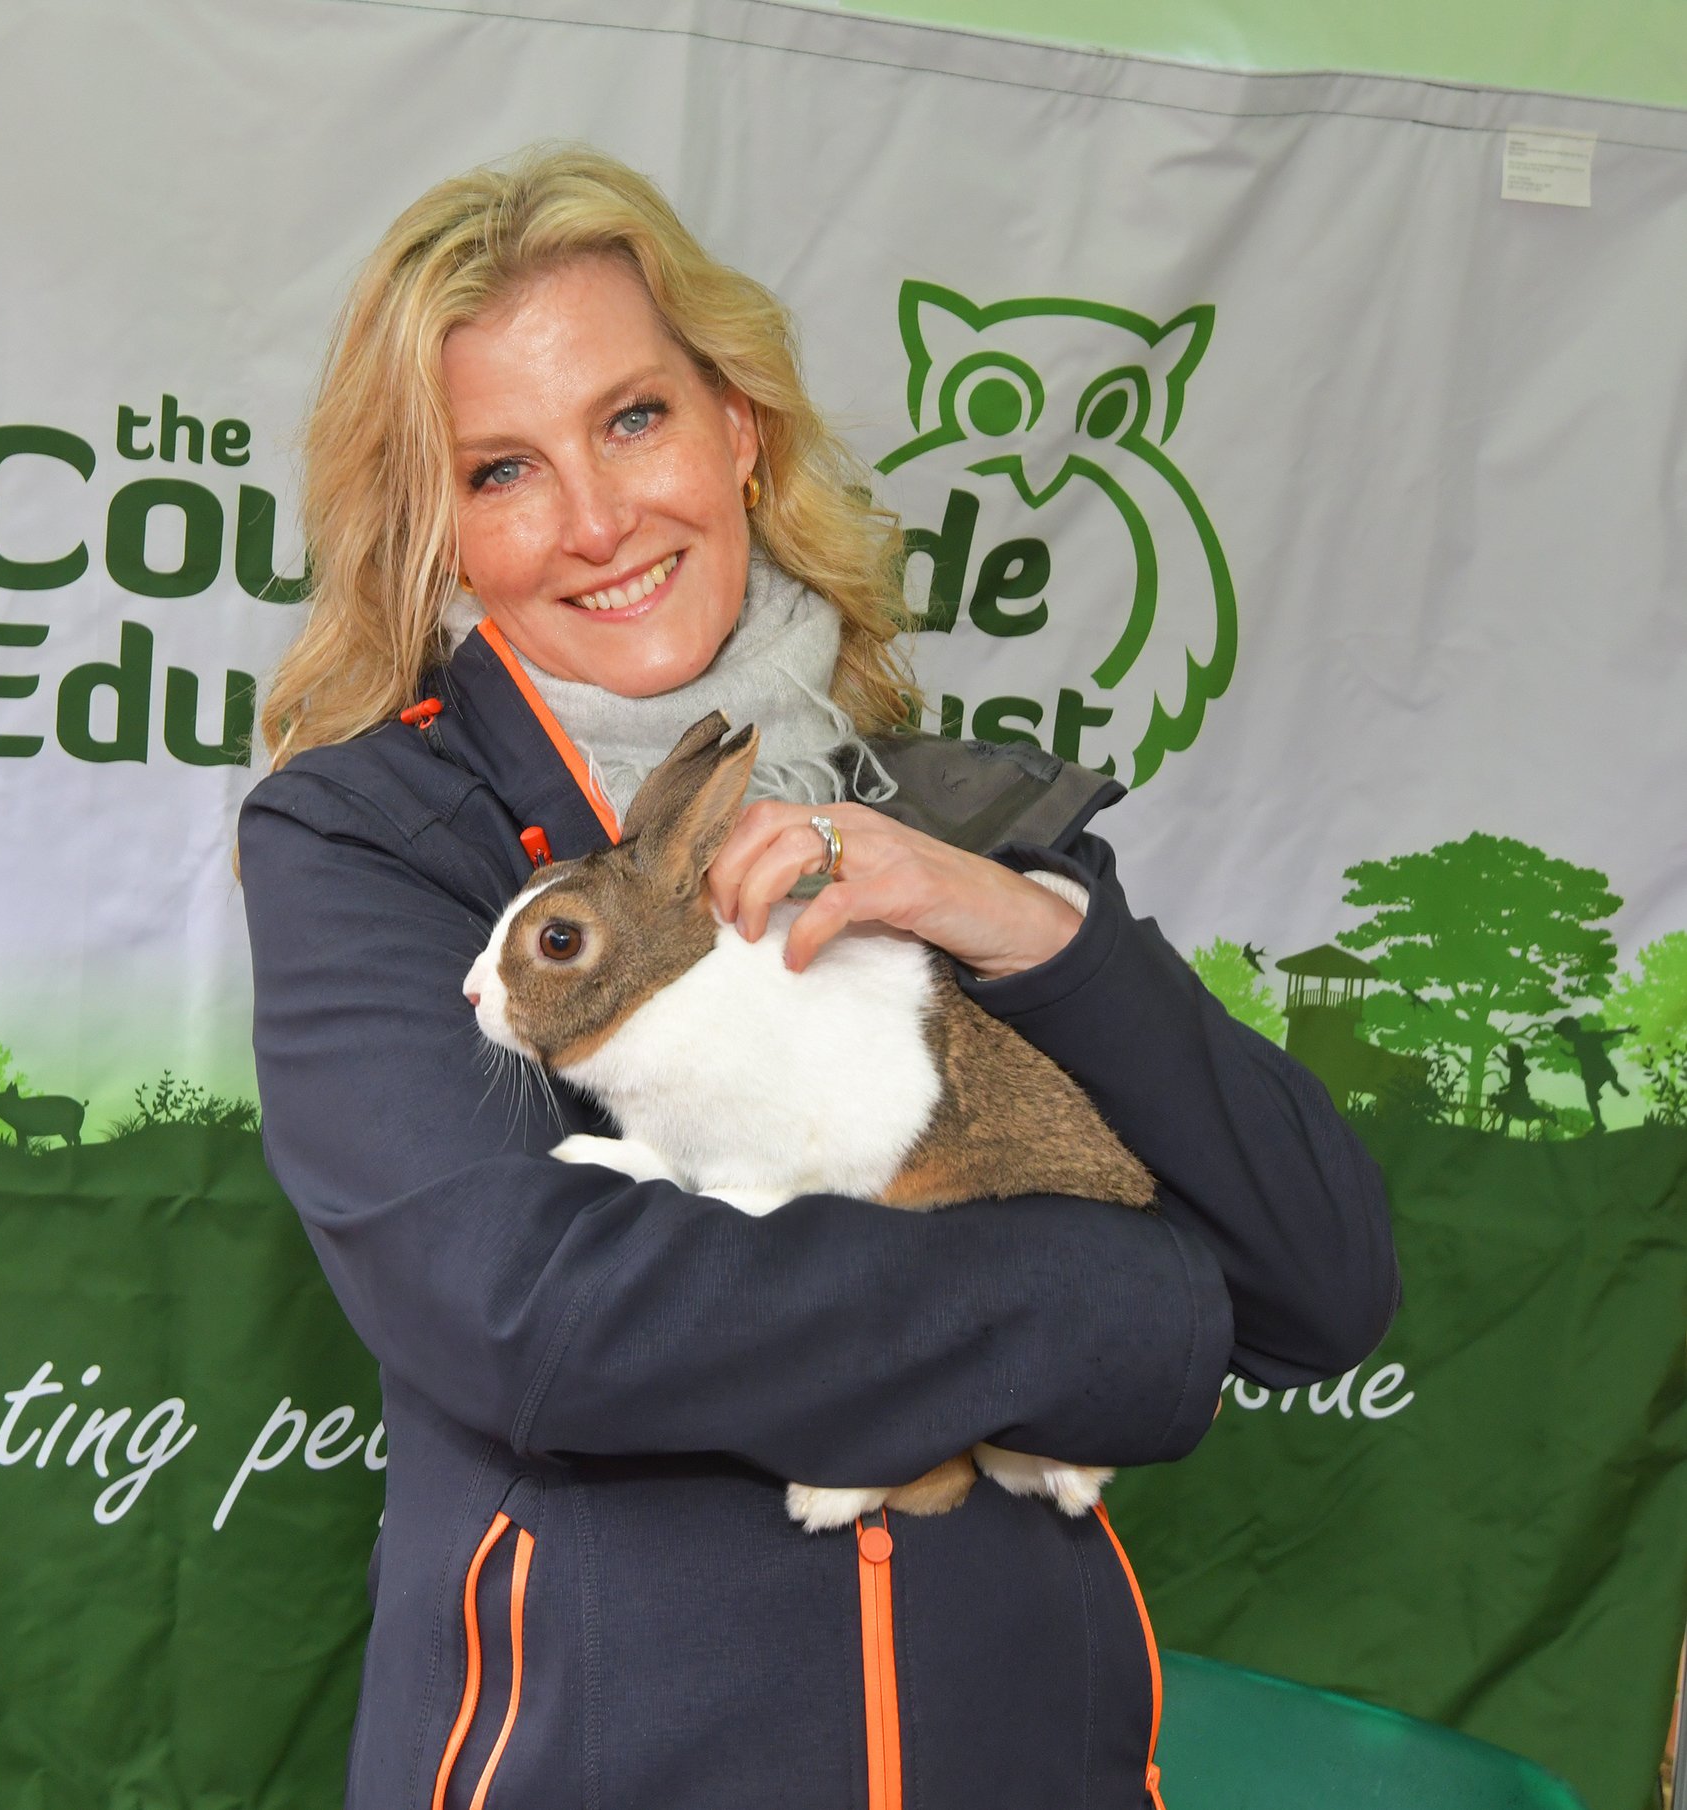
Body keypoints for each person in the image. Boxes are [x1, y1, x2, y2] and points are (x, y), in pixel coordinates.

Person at [238, 144, 1397, 1810]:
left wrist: (1026, 931)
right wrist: (1141, 1303)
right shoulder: (372, 837)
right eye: (499, 469)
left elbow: (1322, 1281)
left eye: (633, 419)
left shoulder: (951, 815)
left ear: (739, 428)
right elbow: (542, 1318)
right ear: (435, 541)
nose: (593, 519)